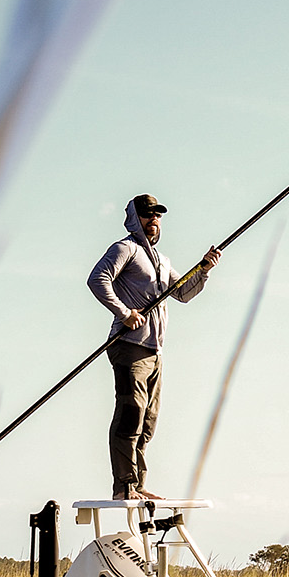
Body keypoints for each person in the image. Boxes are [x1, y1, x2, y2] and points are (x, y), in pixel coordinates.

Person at [87, 194, 221, 500]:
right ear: (135, 218)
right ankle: (123, 487)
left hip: (155, 350)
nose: (154, 220)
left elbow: (183, 293)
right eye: (147, 215)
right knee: (131, 412)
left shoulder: (162, 261)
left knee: (148, 420)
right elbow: (97, 279)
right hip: (129, 345)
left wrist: (204, 269)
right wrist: (124, 312)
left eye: (158, 215)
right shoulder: (125, 249)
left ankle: (138, 483)